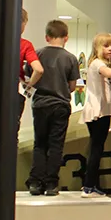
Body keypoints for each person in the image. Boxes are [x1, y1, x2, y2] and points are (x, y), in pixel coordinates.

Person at [28, 20, 80, 197]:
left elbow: (30, 76)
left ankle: (35, 182)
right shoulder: (71, 58)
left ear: (46, 37)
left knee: (39, 144)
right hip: (60, 105)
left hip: (41, 104)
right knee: (56, 145)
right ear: (66, 37)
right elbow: (72, 87)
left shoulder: (38, 54)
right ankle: (51, 184)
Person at [80, 33, 111, 198]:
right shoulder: (97, 64)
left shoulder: (99, 64)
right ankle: (89, 186)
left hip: (101, 111)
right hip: (98, 113)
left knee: (97, 147)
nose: (110, 49)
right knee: (96, 148)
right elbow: (108, 72)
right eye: (106, 46)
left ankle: (90, 184)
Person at [18, 8, 43, 136]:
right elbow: (38, 69)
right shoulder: (25, 45)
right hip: (14, 93)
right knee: (12, 130)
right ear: (22, 23)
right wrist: (28, 85)